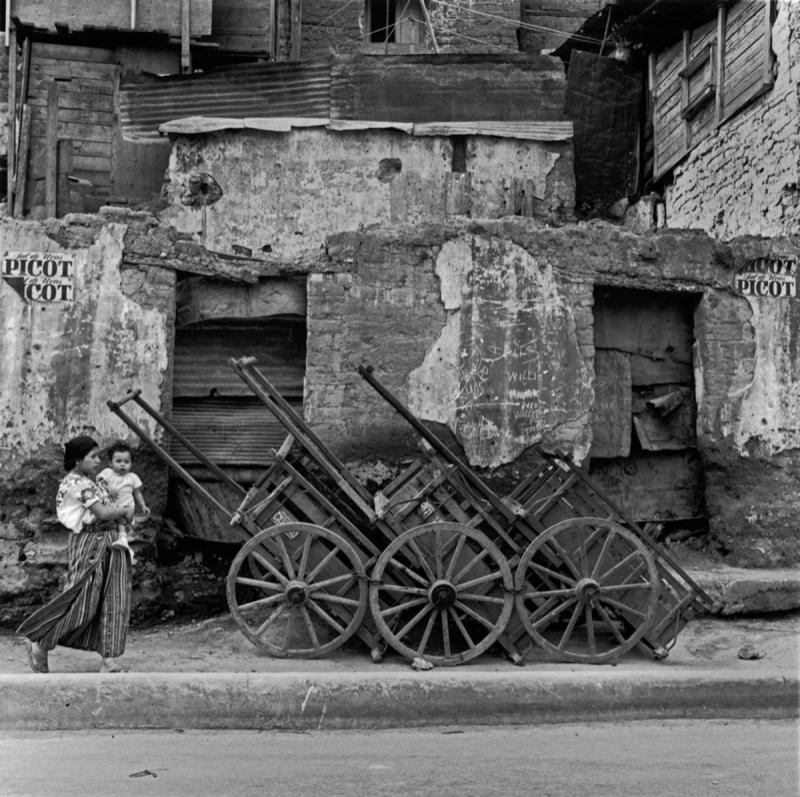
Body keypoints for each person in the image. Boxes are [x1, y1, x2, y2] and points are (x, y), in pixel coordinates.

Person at [16, 435, 134, 674]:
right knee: (83, 599)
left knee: (115, 599)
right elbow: (102, 512)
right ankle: (41, 640)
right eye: (93, 457)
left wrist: (121, 514)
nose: (99, 461)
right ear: (78, 460)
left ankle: (109, 660)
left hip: (113, 542)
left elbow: (113, 509)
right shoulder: (75, 484)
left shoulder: (94, 482)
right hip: (90, 543)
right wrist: (125, 510)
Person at [97, 441, 150, 563]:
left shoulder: (132, 477)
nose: (122, 465)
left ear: (131, 463)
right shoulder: (108, 473)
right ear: (110, 462)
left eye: (126, 462)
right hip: (110, 507)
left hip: (126, 507)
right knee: (111, 526)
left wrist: (143, 505)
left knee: (122, 524)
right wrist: (108, 487)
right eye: (118, 461)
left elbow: (137, 493)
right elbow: (99, 482)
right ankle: (126, 549)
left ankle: (123, 540)